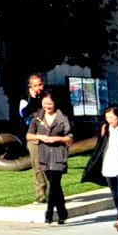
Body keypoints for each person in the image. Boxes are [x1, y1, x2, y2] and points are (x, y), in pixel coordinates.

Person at [82, 104, 118, 231]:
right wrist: (102, 135)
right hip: (108, 163)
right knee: (115, 194)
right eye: (107, 117)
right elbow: (99, 148)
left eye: (112, 117)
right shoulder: (105, 128)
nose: (109, 120)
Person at [29, 90, 75, 224]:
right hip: (44, 154)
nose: (47, 106)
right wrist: (39, 137)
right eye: (44, 103)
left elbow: (70, 138)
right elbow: (29, 135)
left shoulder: (63, 117)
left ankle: (49, 212)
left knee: (54, 183)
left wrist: (56, 139)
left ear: (55, 103)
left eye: (50, 103)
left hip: (58, 154)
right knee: (55, 185)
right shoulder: (38, 117)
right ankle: (62, 212)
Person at [20, 73, 54, 210]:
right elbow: (23, 113)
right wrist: (32, 98)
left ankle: (54, 193)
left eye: (40, 84)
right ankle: (41, 195)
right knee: (37, 167)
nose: (39, 88)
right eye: (36, 85)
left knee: (51, 166)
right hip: (33, 136)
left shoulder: (47, 95)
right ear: (30, 86)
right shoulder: (25, 97)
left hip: (48, 135)